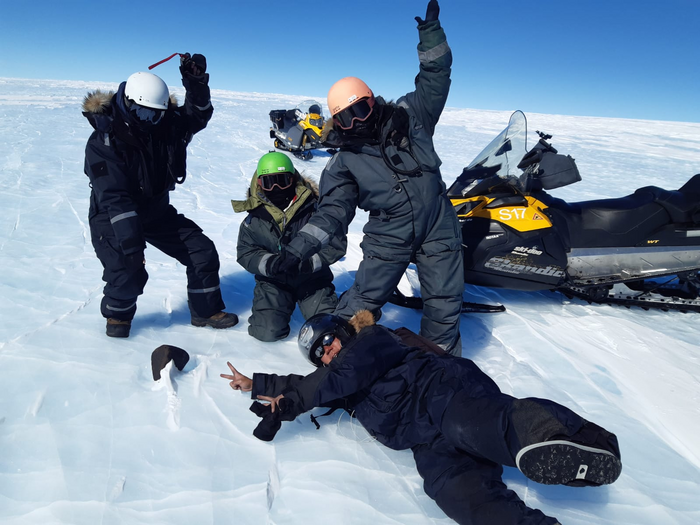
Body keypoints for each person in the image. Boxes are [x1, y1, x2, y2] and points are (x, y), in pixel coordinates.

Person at [221, 311, 622, 525]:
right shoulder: (340, 381)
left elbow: (326, 381)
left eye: (328, 343)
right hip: (425, 439)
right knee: (456, 494)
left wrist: (290, 404)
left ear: (344, 331)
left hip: (443, 393)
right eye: (319, 355)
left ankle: (580, 439)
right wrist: (256, 382)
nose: (327, 354)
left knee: (477, 425)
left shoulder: (372, 341)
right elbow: (314, 382)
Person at [268, 0, 465, 356]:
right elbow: (330, 214)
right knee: (363, 301)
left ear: (372, 102)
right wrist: (297, 250)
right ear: (336, 123)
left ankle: (442, 370)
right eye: (345, 118)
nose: (356, 123)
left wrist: (430, 35)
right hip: (389, 236)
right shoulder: (344, 163)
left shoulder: (410, 115)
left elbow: (436, 77)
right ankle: (339, 357)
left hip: (439, 225)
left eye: (360, 110)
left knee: (444, 304)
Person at [82, 54, 238, 338]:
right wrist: (133, 247)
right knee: (129, 272)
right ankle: (117, 319)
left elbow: (198, 113)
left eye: (156, 114)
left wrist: (196, 83)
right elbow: (115, 196)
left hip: (155, 210)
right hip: (113, 215)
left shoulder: (164, 124)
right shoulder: (104, 141)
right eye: (143, 113)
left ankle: (205, 312)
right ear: (128, 104)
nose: (149, 121)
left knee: (201, 250)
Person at [231, 152, 346, 341]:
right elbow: (245, 251)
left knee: (328, 329)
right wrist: (270, 264)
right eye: (269, 182)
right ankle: (279, 306)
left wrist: (307, 264)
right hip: (274, 281)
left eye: (282, 180)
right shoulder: (254, 218)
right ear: (260, 184)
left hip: (312, 280)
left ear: (293, 179)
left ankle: (347, 302)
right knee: (266, 333)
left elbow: (335, 244)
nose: (277, 188)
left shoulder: (315, 209)